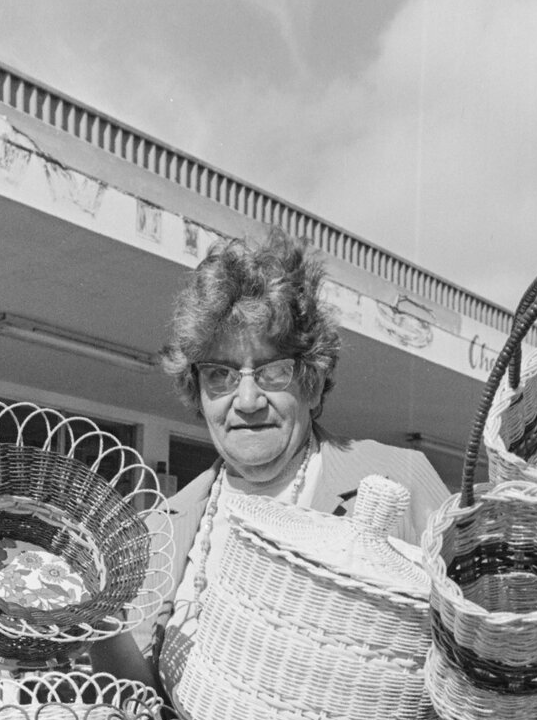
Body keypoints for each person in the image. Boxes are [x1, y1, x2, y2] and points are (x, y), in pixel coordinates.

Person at [89, 225, 453, 693]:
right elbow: (137, 699)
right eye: (220, 375)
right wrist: (97, 619)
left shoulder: (399, 480)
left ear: (312, 383)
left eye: (273, 371)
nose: (246, 400)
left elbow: (478, 647)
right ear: (198, 393)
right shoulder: (161, 529)